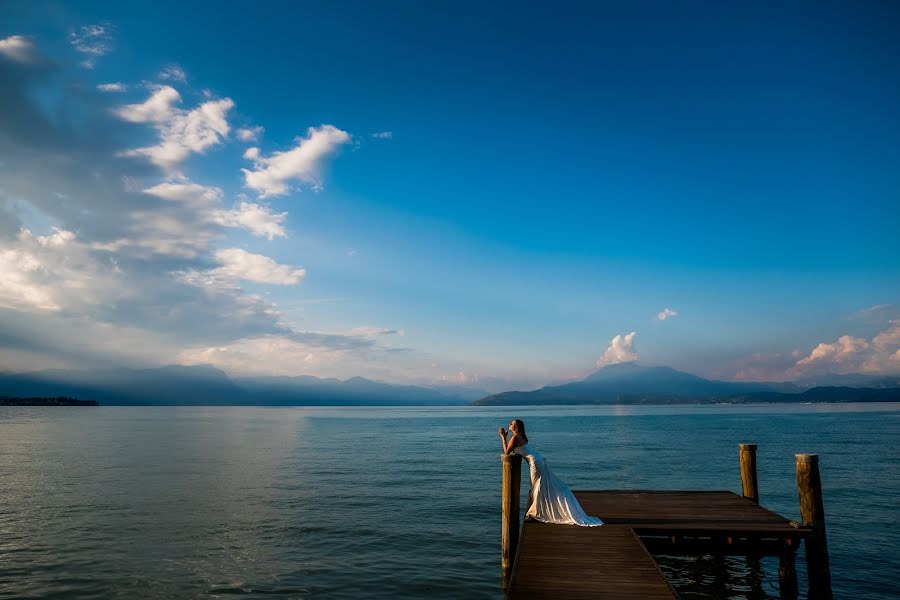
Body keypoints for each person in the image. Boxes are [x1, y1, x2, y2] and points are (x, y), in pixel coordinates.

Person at [498, 419, 603, 526]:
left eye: (511, 423)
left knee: (537, 487)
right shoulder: (520, 437)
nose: (509, 424)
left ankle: (537, 513)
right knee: (539, 486)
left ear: (515, 427)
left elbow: (506, 452)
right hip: (538, 460)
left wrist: (503, 437)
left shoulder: (515, 438)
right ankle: (537, 511)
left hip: (535, 463)